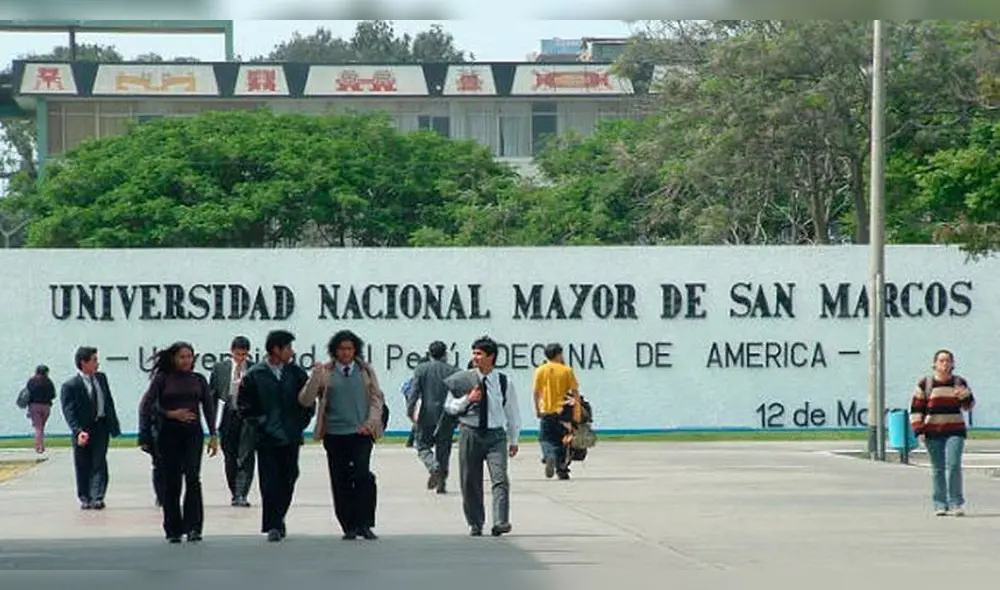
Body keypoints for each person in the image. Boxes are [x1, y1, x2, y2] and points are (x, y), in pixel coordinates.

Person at [299, 329, 385, 541]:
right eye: (341, 349)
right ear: (334, 351)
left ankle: (365, 523)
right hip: (335, 434)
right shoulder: (326, 372)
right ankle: (349, 525)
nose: (345, 353)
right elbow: (305, 400)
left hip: (361, 433)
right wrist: (314, 377)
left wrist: (371, 423)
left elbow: (376, 399)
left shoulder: (365, 370)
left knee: (363, 476)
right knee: (340, 479)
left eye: (349, 349)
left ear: (355, 350)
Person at [138, 342, 219, 543]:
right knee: (172, 481)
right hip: (169, 433)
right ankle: (173, 528)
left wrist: (213, 434)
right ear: (174, 358)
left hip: (192, 434)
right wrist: (170, 414)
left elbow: (208, 407)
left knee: (193, 478)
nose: (186, 360)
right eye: (182, 357)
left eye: (189, 357)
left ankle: (194, 527)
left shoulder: (198, 380)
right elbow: (147, 406)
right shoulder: (163, 379)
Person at [237, 330, 314, 542]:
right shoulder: (255, 374)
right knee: (270, 482)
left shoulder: (296, 374)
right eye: (288, 348)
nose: (291, 352)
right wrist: (260, 423)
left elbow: (308, 402)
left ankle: (278, 517)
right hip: (266, 438)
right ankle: (274, 524)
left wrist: (299, 424)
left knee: (290, 476)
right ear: (276, 349)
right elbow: (244, 405)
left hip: (290, 437)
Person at [444, 336, 521, 537]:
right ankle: (475, 522)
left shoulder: (504, 382)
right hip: (470, 433)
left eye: (479, 353)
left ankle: (500, 521)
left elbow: (512, 412)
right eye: (474, 353)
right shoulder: (461, 379)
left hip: (496, 436)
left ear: (491, 356)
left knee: (500, 478)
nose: (475, 357)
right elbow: (449, 407)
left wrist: (514, 439)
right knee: (470, 480)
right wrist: (467, 400)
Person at [910, 349, 975, 516]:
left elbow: (968, 406)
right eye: (941, 361)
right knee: (938, 468)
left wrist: (965, 396)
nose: (945, 364)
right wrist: (919, 430)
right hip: (933, 431)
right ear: (935, 364)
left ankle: (956, 503)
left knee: (953, 465)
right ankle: (940, 503)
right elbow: (916, 409)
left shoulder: (959, 382)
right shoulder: (926, 384)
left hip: (955, 430)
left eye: (948, 361)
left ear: (952, 364)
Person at [59, 346, 122, 510]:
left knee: (99, 462)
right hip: (83, 430)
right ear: (83, 362)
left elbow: (108, 402)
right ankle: (85, 497)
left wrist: (113, 424)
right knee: (83, 463)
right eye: (94, 360)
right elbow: (69, 411)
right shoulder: (70, 385)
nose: (97, 363)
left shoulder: (101, 378)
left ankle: (98, 496)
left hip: (101, 426)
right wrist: (78, 431)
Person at [210, 335, 256, 507]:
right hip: (228, 416)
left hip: (247, 417)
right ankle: (234, 492)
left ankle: (242, 494)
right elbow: (212, 395)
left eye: (244, 355)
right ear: (232, 352)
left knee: (246, 455)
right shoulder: (220, 369)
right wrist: (212, 422)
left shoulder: (253, 369)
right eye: (238, 354)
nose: (241, 358)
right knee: (230, 456)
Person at [407, 341, 460, 493]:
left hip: (426, 415)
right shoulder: (454, 371)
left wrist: (410, 411)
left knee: (422, 446)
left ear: (429, 354)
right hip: (447, 415)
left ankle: (433, 466)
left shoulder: (421, 369)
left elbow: (414, 392)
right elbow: (459, 395)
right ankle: (442, 482)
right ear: (445, 354)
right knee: (444, 449)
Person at [532, 343, 580, 481]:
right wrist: (576, 411)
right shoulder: (566, 370)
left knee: (546, 439)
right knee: (563, 440)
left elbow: (536, 392)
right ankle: (562, 469)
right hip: (564, 412)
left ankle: (549, 457)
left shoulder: (540, 370)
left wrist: (537, 409)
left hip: (547, 410)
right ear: (558, 354)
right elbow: (575, 392)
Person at [25, 365, 56, 454]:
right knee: (41, 427)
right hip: (46, 406)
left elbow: (27, 394)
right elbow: (53, 395)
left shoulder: (31, 381)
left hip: (34, 406)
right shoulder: (48, 382)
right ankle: (41, 445)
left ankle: (39, 447)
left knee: (38, 427)